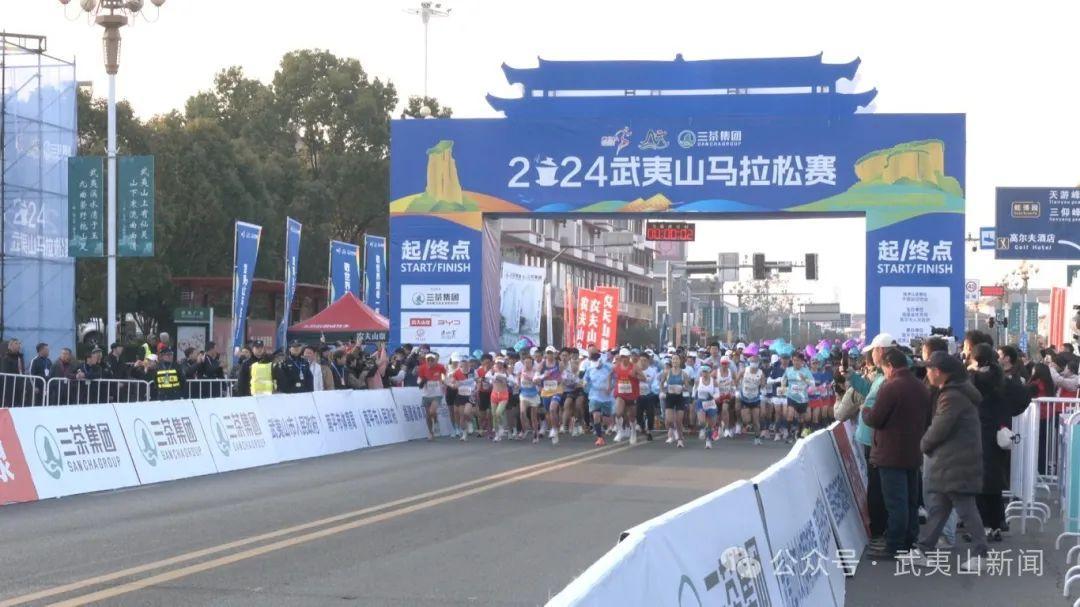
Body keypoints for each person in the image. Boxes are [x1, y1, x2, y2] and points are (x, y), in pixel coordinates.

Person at [911, 351, 990, 573]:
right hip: (955, 461)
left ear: (938, 371)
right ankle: (923, 549)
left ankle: (981, 554)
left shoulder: (952, 396)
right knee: (940, 507)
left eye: (928, 369)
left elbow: (939, 427)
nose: (926, 373)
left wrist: (923, 444)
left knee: (965, 509)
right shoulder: (957, 392)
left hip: (956, 462)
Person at [860, 347, 931, 559]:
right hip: (913, 451)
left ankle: (894, 545)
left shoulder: (891, 387)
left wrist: (865, 411)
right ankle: (909, 540)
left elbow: (875, 419)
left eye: (884, 369)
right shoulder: (921, 386)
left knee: (895, 502)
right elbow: (928, 419)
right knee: (910, 501)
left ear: (890, 366)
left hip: (890, 452)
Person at [850, 332, 894, 542]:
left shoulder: (888, 378)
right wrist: (851, 377)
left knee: (877, 485)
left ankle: (878, 529)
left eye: (873, 351)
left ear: (880, 351)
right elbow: (868, 390)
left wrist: (866, 411)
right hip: (871, 437)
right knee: (875, 483)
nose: (871, 356)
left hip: (876, 438)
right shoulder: (880, 376)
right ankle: (879, 527)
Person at [969, 342, 1010, 541]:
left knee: (980, 483)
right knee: (994, 482)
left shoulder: (974, 378)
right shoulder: (1001, 377)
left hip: (979, 433)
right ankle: (997, 525)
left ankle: (983, 527)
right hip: (998, 434)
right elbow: (1022, 397)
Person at [781, 352, 816, 442]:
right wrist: (783, 386)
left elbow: (813, 383)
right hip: (791, 396)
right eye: (794, 360)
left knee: (802, 418)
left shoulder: (806, 371)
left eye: (798, 360)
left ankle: (799, 433)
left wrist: (804, 379)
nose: (796, 362)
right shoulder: (788, 370)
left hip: (803, 398)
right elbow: (783, 378)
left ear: (802, 361)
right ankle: (788, 435)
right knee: (790, 414)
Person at [612, 348, 643, 444]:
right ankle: (620, 431)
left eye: (625, 357)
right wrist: (609, 385)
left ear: (629, 357)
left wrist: (635, 376)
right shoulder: (616, 367)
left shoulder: (635, 367)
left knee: (631, 416)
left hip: (632, 394)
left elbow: (644, 378)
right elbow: (610, 375)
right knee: (618, 413)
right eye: (622, 357)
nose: (624, 359)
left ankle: (633, 432)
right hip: (620, 394)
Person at [584, 348, 614, 447]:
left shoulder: (609, 367)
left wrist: (610, 387)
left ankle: (606, 427)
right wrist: (584, 383)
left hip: (607, 396)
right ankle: (599, 438)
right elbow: (586, 379)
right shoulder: (590, 368)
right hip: (594, 395)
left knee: (606, 420)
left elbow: (616, 379)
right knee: (596, 415)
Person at [660, 355, 690, 448]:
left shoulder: (684, 374)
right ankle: (673, 430)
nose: (675, 361)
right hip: (670, 397)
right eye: (673, 359)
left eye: (677, 359)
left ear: (680, 361)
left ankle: (680, 439)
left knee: (678, 420)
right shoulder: (666, 372)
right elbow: (661, 383)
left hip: (679, 398)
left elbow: (687, 387)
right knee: (669, 420)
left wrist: (681, 388)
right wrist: (663, 391)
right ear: (671, 361)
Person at [738, 354, 767, 445]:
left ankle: (757, 438)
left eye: (756, 362)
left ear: (758, 363)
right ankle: (746, 425)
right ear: (749, 362)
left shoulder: (761, 373)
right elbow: (736, 379)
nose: (754, 363)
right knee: (746, 420)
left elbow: (763, 386)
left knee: (756, 420)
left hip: (755, 399)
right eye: (752, 361)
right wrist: (736, 389)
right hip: (745, 398)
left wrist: (763, 398)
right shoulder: (744, 370)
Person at [417, 353, 447, 440]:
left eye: (432, 360)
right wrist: (422, 381)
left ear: (435, 360)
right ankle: (430, 432)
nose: (430, 362)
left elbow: (445, 376)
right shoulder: (422, 368)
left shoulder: (440, 367)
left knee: (432, 411)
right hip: (426, 394)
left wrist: (444, 382)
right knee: (428, 415)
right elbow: (419, 381)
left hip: (437, 394)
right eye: (428, 360)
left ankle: (436, 421)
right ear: (426, 361)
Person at [694, 363, 720, 449]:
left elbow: (717, 394)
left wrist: (712, 396)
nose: (704, 373)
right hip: (701, 402)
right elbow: (694, 392)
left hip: (710, 403)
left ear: (709, 372)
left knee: (711, 425)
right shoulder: (698, 381)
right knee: (702, 421)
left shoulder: (714, 382)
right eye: (703, 371)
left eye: (706, 371)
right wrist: (695, 397)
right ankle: (703, 429)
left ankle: (708, 440)